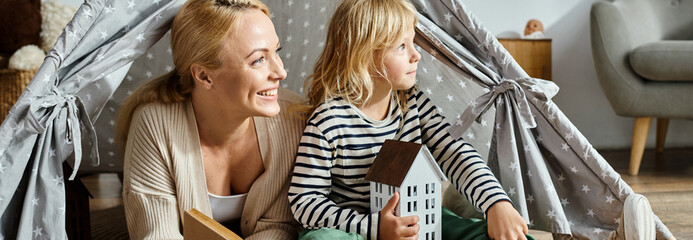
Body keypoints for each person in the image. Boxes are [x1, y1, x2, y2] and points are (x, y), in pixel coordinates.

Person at [287, 0, 534, 239]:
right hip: (353, 227)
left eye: (412, 43)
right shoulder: (328, 121)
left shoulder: (412, 103)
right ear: (363, 55)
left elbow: (455, 153)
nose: (416, 55)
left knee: (488, 230)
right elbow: (305, 202)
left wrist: (496, 203)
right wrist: (374, 227)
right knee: (321, 238)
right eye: (402, 47)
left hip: (413, 217)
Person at [116, 0, 305, 239]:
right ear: (204, 76)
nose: (280, 72)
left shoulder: (292, 119)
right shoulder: (154, 125)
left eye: (276, 51)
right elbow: (157, 233)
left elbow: (279, 227)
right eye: (258, 60)